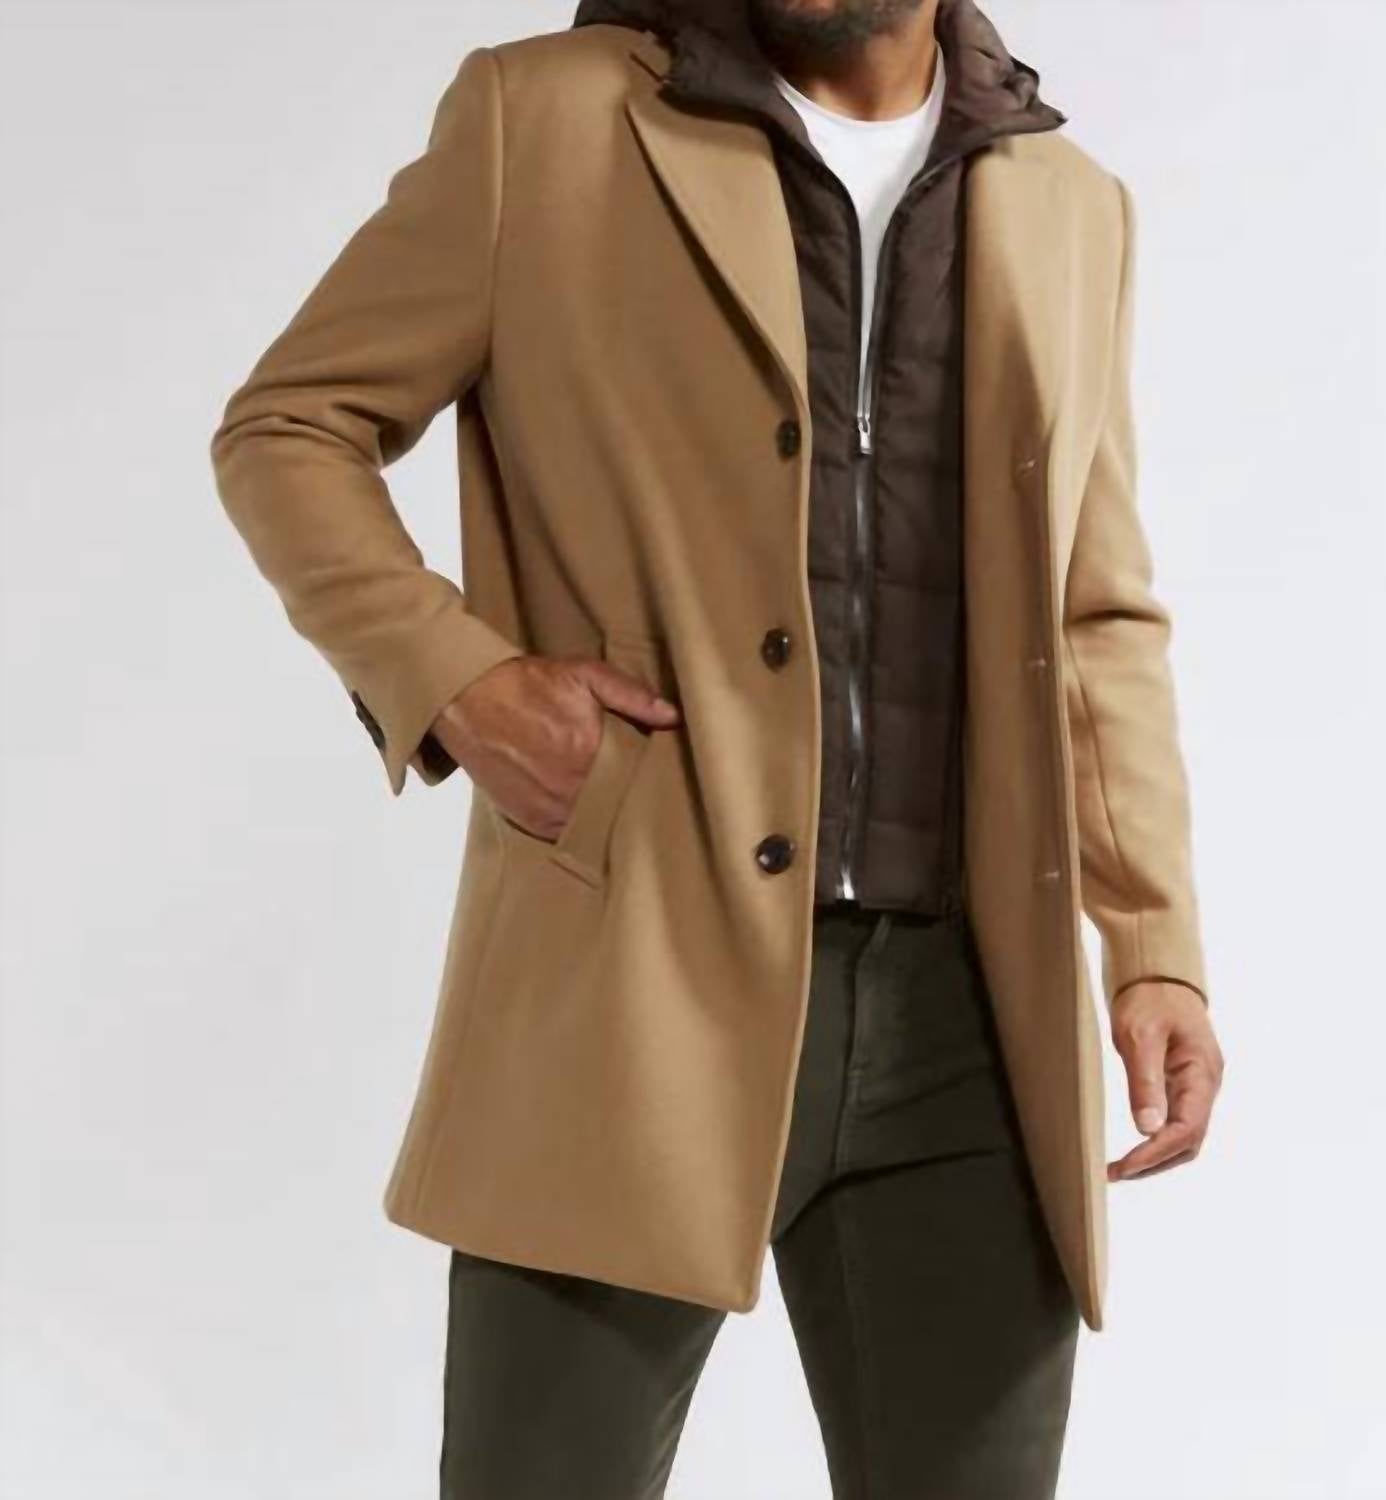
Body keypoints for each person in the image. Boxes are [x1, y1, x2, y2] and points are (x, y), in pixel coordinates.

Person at [210, 0, 1225, 1494]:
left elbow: (1093, 608)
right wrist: (456, 680)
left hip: (970, 1025)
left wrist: (1153, 944)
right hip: (636, 980)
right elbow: (292, 426)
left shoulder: (1068, 203)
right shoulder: (547, 122)